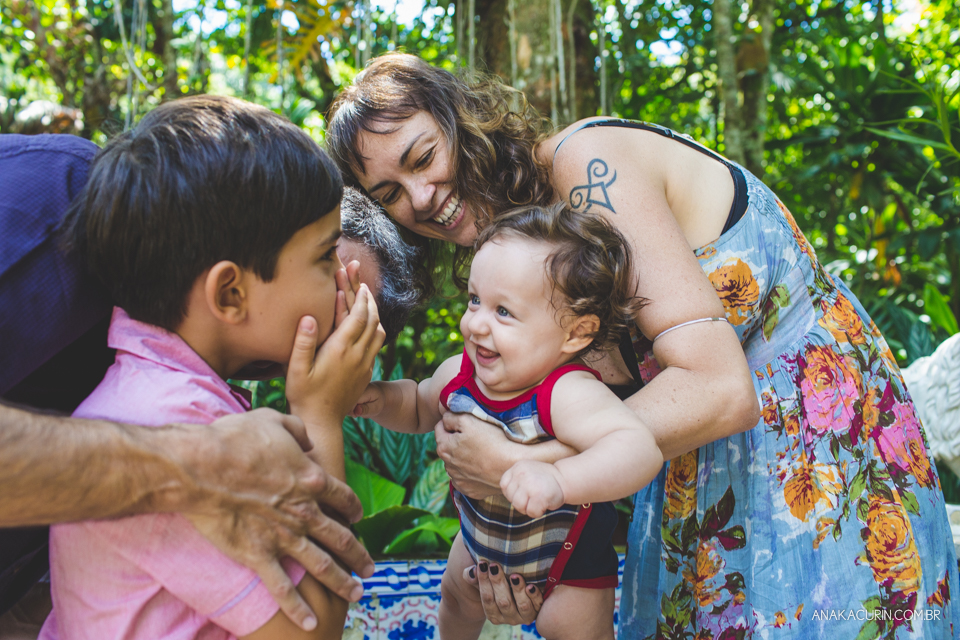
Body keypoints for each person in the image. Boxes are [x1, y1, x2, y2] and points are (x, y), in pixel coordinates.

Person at [326, 52, 959, 638]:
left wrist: (527, 467)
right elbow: (586, 425)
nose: (420, 198)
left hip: (816, 440)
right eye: (390, 196)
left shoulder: (583, 162)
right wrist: (520, 557)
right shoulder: (516, 274)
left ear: (459, 119)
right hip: (695, 471)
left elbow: (718, 388)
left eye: (421, 157)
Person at [37, 95, 385, 640]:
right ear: (230, 293)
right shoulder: (173, 424)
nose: (341, 277)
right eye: (323, 257)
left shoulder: (157, 390)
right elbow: (311, 630)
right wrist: (321, 413)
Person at [354, 203, 662, 640]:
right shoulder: (461, 371)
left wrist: (559, 478)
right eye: (475, 300)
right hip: (481, 545)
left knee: (569, 627)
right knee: (457, 595)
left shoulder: (567, 392)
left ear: (575, 333)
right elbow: (420, 405)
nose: (476, 323)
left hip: (567, 563)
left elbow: (638, 449)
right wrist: (380, 399)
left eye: (503, 312)